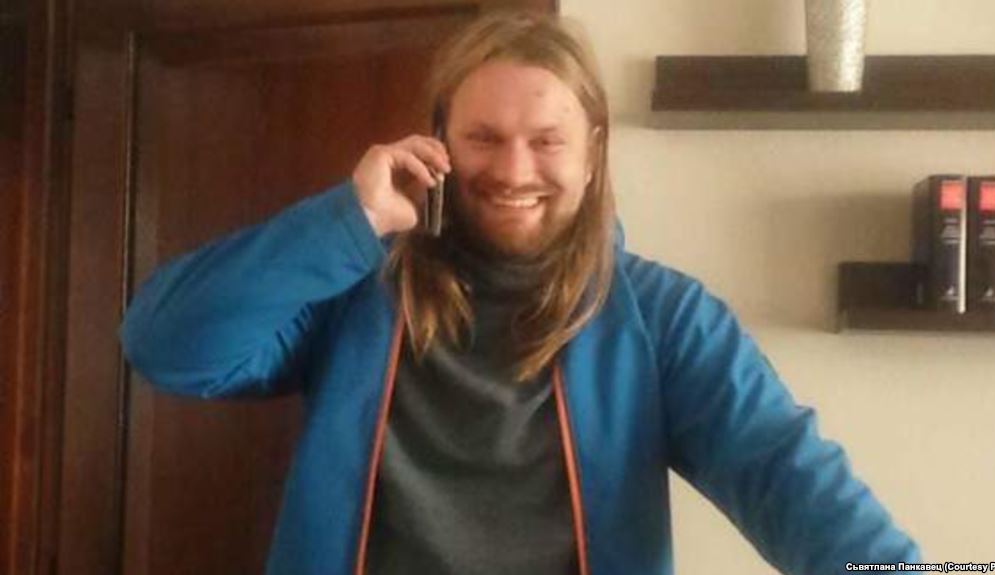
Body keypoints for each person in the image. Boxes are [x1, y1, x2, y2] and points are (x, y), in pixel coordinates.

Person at [119, 10, 920, 575]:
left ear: (592, 150)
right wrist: (349, 220)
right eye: (483, 138)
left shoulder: (664, 318)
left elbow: (790, 477)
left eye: (546, 140)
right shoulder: (355, 286)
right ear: (437, 140)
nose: (512, 170)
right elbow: (165, 344)